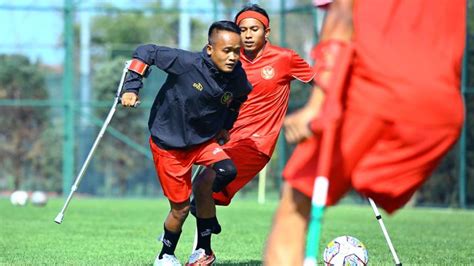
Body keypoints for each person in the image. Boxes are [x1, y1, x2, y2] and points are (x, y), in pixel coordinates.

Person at [265, 0, 466, 265]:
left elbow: (341, 16)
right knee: (360, 182)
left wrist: (318, 103)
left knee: (295, 205)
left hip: (377, 93)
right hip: (442, 110)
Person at [121, 20, 252, 266]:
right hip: (169, 146)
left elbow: (238, 99)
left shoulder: (237, 77)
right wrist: (131, 88)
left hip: (202, 142)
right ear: (210, 49)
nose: (233, 57)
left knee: (227, 170)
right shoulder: (186, 63)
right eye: (227, 51)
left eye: (237, 51)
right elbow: (144, 52)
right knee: (178, 211)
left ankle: (202, 248)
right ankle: (165, 254)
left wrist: (226, 125)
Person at [198, 4, 316, 212]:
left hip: (256, 144)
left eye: (254, 29)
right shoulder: (230, 59)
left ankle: (202, 239)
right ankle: (203, 243)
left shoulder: (284, 58)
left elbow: (319, 82)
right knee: (199, 191)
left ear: (266, 32)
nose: (248, 35)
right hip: (225, 137)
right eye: (242, 30)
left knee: (205, 185)